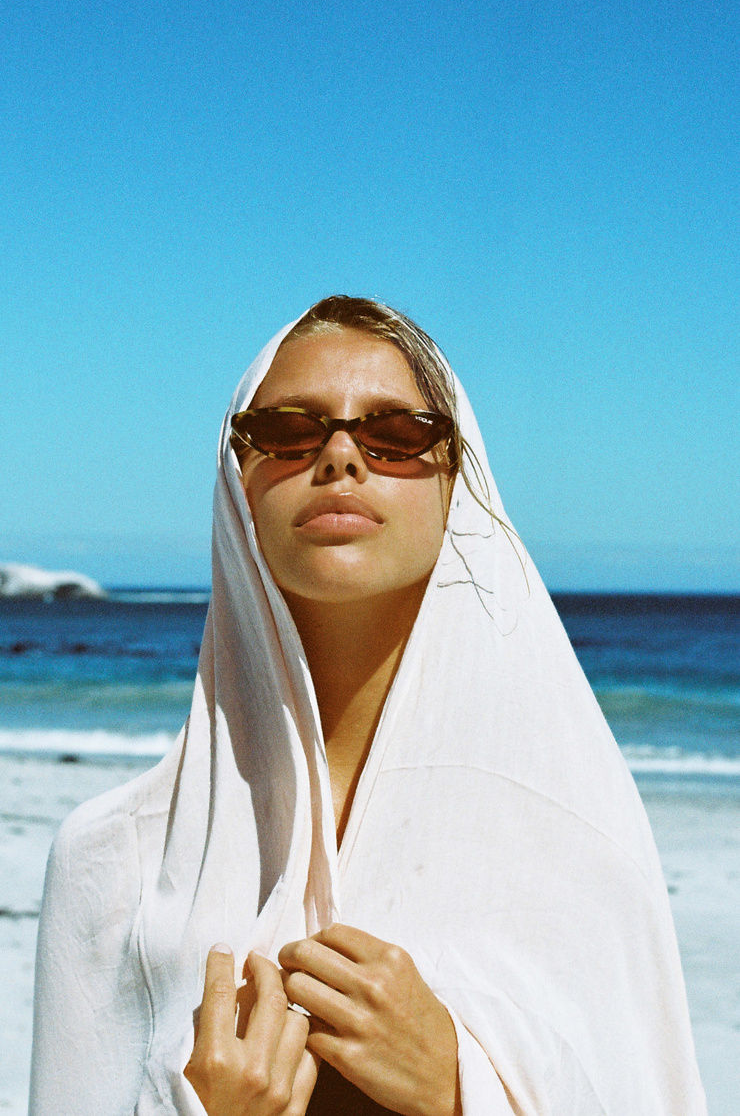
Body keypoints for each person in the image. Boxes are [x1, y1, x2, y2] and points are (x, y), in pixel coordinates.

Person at [29, 296, 706, 1116]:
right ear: (237, 481)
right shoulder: (112, 863)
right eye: (287, 431)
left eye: (396, 434)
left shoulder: (580, 841)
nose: (341, 457)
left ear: (458, 480)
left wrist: (459, 1085)